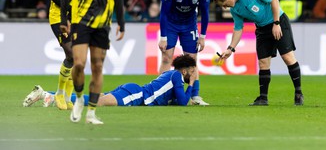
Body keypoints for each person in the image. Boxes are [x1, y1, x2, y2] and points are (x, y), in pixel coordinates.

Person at [60, 0, 125, 125]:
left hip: (102, 23)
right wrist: (64, 18)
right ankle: (79, 98)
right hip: (80, 20)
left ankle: (91, 113)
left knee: (97, 66)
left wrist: (121, 22)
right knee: (79, 64)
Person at [213, 0, 304, 106]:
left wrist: (276, 23)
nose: (224, 8)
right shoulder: (235, 9)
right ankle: (263, 98)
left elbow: (274, 1)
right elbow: (238, 28)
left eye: (224, 4)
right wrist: (230, 48)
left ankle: (298, 93)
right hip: (262, 29)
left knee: (287, 57)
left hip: (278, 22)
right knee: (263, 63)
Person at [23, 54, 197, 107]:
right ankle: (50, 96)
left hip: (134, 91)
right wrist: (191, 85)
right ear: (184, 70)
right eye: (191, 71)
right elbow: (182, 102)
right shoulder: (176, 77)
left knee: (98, 99)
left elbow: (174, 99)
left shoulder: (172, 76)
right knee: (99, 103)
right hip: (137, 95)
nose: (193, 74)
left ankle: (47, 94)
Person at [158, 0, 210, 106]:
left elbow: (205, 14)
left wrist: (203, 36)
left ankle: (195, 96)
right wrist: (163, 36)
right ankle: (160, 93)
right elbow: (163, 13)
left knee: (192, 61)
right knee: (166, 58)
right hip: (171, 25)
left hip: (189, 26)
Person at [47, 0, 82, 110]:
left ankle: (68, 97)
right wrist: (69, 9)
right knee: (70, 53)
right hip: (58, 17)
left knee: (76, 57)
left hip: (75, 18)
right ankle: (59, 93)